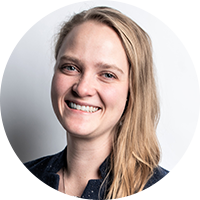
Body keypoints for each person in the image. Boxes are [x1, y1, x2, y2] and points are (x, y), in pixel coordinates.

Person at [0, 6, 192, 200]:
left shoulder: (177, 195)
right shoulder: (20, 181)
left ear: (133, 91)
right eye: (71, 67)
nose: (82, 88)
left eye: (107, 74)